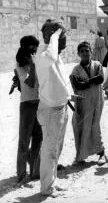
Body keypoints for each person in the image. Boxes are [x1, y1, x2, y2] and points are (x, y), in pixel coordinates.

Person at [35, 19, 70, 197]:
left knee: (56, 149)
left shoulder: (57, 57)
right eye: (62, 37)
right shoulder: (44, 56)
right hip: (51, 112)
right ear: (51, 37)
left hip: (61, 108)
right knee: (49, 150)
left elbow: (61, 80)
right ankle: (46, 188)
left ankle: (52, 182)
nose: (64, 40)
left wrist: (69, 96)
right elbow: (51, 56)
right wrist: (56, 34)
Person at [69, 41, 107, 166]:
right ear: (78, 54)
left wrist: (85, 83)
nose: (85, 53)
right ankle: (80, 156)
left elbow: (100, 78)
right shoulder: (76, 69)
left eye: (87, 50)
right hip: (83, 102)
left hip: (97, 100)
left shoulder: (97, 65)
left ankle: (101, 153)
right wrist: (91, 81)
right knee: (82, 127)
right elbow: (76, 84)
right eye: (82, 51)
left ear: (91, 52)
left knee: (95, 125)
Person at [15, 35, 42, 183]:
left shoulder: (35, 63)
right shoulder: (19, 66)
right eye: (32, 48)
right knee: (24, 142)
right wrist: (32, 65)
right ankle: (21, 175)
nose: (34, 51)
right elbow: (31, 83)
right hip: (27, 106)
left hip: (39, 104)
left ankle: (34, 172)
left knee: (38, 139)